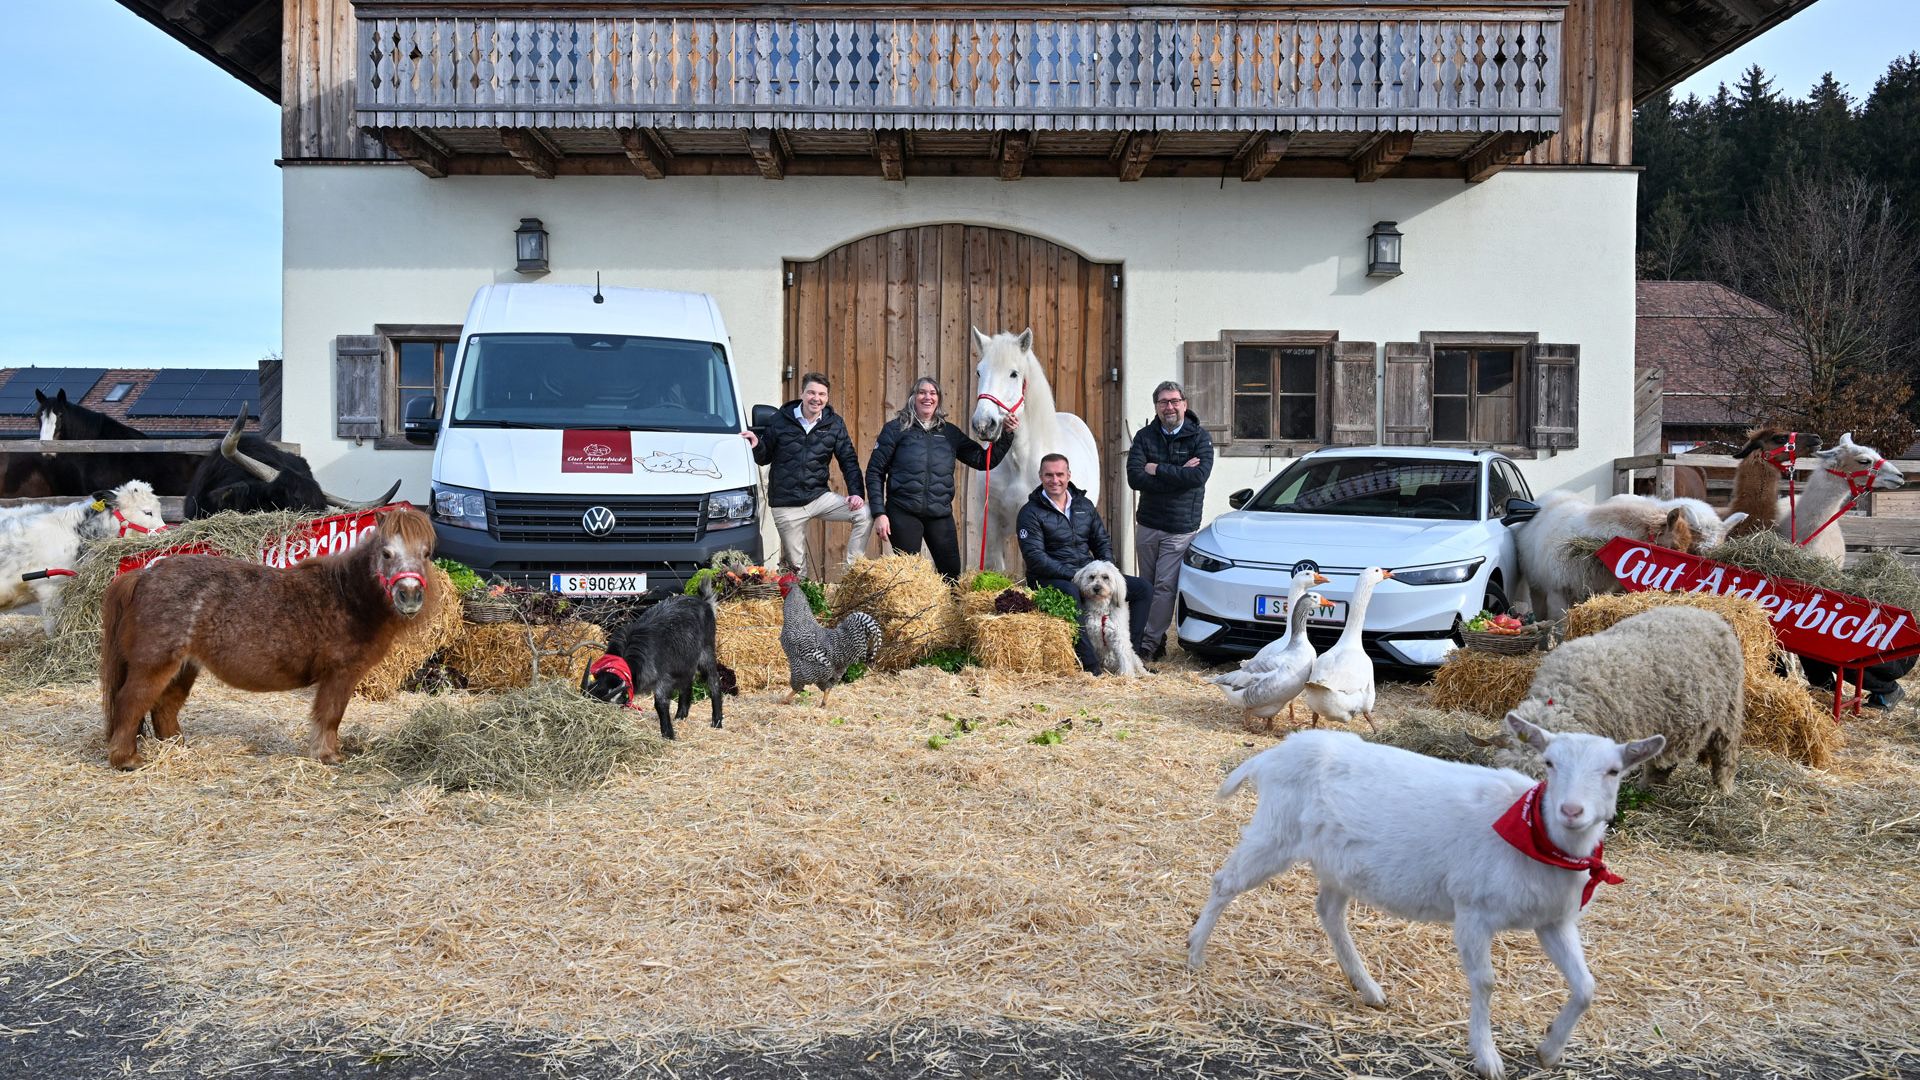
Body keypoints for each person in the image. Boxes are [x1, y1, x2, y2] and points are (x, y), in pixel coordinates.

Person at [865, 377, 1017, 579]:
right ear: (913, 397)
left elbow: (983, 460)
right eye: (922, 392)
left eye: (933, 393)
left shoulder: (949, 433)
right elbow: (875, 471)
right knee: (910, 578)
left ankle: (950, 611)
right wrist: (879, 513)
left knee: (952, 574)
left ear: (938, 399)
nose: (927, 397)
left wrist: (1006, 434)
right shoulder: (895, 429)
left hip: (939, 514)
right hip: (903, 512)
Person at [1016, 453, 1152, 673]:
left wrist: (1108, 571)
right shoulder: (1030, 512)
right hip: (1052, 577)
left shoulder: (1084, 505)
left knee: (1143, 589)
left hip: (1090, 574)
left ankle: (1128, 658)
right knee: (1071, 592)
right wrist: (1075, 575)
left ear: (1068, 475)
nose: (1055, 480)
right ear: (1040, 476)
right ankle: (1091, 666)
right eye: (1049, 475)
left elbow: (1101, 541)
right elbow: (1035, 558)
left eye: (1060, 474)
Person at [749, 372, 872, 577]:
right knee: (798, 571)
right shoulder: (780, 419)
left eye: (822, 394)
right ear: (802, 394)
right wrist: (756, 445)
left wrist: (857, 493)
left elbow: (848, 460)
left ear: (827, 397)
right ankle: (804, 604)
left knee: (864, 513)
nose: (817, 398)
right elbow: (764, 457)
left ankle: (853, 575)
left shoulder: (834, 424)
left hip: (818, 497)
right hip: (786, 504)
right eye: (812, 392)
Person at [1125, 380, 1215, 660]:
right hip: (1149, 524)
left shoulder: (1199, 438)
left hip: (1180, 528)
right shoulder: (1144, 436)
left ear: (1184, 405)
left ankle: (1146, 646)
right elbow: (1134, 478)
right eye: (1163, 402)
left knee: (1165, 588)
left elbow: (1197, 478)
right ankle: (1154, 637)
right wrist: (1177, 474)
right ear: (1156, 407)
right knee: (1146, 585)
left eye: (1174, 401)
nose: (1170, 407)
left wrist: (1157, 470)